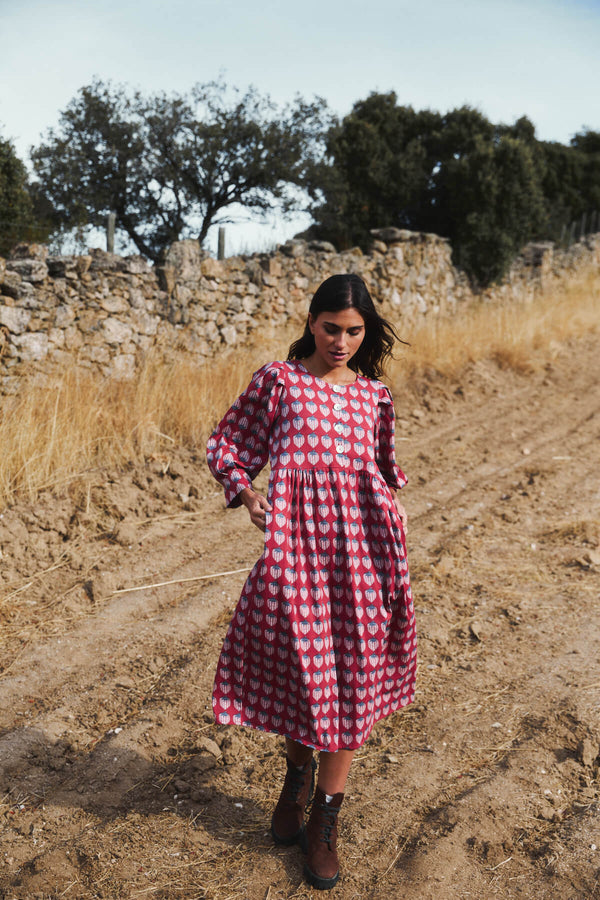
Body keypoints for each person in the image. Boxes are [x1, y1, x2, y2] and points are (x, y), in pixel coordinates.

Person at [206, 273, 417, 890]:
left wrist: (390, 511)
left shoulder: (373, 395)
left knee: (349, 682)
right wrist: (247, 496)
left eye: (355, 331)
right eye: (332, 328)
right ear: (311, 320)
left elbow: (383, 471)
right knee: (301, 678)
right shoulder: (279, 381)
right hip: (295, 557)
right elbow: (228, 444)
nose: (343, 341)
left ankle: (324, 822)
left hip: (361, 559)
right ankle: (295, 779)